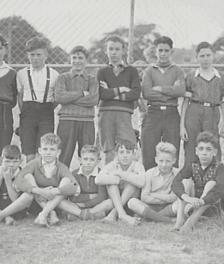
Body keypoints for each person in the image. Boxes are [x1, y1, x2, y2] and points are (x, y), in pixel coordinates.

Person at [0, 133, 80, 227]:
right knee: (28, 176)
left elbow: (76, 186)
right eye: (45, 149)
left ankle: (45, 214)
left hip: (53, 201)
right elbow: (19, 180)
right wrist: (40, 191)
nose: (48, 152)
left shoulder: (62, 167)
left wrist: (56, 190)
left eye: (52, 149)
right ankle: (50, 213)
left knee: (66, 181)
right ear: (40, 150)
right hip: (37, 201)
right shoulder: (34, 164)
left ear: (58, 152)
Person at [141, 36, 187, 170]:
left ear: (171, 51)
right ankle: (149, 185)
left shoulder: (177, 70)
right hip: (153, 112)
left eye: (166, 51)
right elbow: (147, 93)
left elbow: (180, 90)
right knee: (149, 151)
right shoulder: (149, 71)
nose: (163, 54)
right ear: (155, 51)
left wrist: (160, 89)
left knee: (172, 151)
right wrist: (170, 92)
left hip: (172, 112)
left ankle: (172, 187)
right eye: (160, 50)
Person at [180, 41, 224, 168]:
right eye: (202, 56)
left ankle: (212, 181)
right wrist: (182, 125)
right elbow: (185, 102)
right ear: (197, 57)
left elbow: (223, 101)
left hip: (212, 113)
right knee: (191, 148)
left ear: (213, 56)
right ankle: (190, 181)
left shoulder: (220, 77)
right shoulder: (191, 76)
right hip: (194, 112)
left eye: (208, 55)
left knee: (212, 146)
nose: (205, 59)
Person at [172, 131, 224, 232]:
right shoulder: (192, 164)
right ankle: (179, 222)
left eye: (208, 149)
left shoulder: (220, 168)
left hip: (210, 206)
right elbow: (176, 182)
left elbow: (220, 189)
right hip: (192, 204)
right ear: (196, 151)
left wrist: (203, 200)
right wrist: (187, 198)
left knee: (211, 184)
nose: (204, 153)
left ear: (215, 152)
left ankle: (189, 224)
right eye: (201, 149)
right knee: (185, 182)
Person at [97, 35, 141, 164]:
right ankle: (109, 181)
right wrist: (122, 89)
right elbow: (102, 94)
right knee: (108, 149)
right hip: (106, 114)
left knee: (128, 146)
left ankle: (126, 181)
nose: (114, 52)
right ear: (106, 51)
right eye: (111, 49)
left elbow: (135, 93)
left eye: (117, 49)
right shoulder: (102, 72)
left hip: (124, 114)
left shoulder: (131, 71)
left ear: (123, 51)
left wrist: (111, 92)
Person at [17, 36, 59, 162]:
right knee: (29, 152)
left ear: (46, 55)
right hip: (28, 113)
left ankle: (42, 180)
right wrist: (25, 112)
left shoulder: (54, 74)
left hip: (46, 113)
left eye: (39, 54)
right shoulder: (21, 74)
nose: (35, 58)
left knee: (44, 149)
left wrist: (46, 108)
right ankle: (30, 179)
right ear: (27, 55)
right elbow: (20, 97)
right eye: (32, 54)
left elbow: (56, 98)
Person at [55, 46, 98, 167]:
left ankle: (85, 184)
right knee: (64, 155)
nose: (77, 61)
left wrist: (69, 99)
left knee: (87, 156)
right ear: (70, 59)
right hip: (67, 120)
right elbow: (59, 97)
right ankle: (62, 184)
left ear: (86, 60)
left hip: (87, 121)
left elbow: (93, 100)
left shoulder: (92, 79)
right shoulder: (63, 77)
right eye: (74, 57)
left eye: (80, 58)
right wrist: (81, 93)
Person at [95, 139, 145, 225]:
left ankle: (114, 214)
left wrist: (121, 174)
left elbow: (141, 182)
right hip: (115, 201)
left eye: (128, 152)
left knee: (131, 184)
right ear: (117, 154)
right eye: (121, 152)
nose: (125, 156)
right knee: (112, 183)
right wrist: (117, 180)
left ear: (133, 154)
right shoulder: (113, 164)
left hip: (131, 203)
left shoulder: (138, 165)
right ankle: (122, 214)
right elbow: (98, 179)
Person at [128, 142, 179, 223]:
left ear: (174, 161)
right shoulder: (149, 173)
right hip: (150, 206)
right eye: (161, 161)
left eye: (168, 161)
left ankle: (150, 217)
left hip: (168, 207)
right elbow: (144, 197)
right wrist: (166, 197)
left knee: (179, 204)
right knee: (132, 202)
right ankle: (168, 220)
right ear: (156, 160)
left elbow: (174, 197)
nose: (164, 165)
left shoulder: (177, 174)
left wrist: (154, 195)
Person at [57, 145, 107, 220]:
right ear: (80, 160)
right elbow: (73, 197)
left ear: (98, 161)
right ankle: (89, 214)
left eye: (92, 160)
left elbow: (102, 196)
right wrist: (90, 196)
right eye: (85, 159)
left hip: (95, 205)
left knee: (109, 202)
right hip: (77, 205)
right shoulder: (74, 174)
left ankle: (79, 214)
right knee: (60, 202)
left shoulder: (101, 174)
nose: (88, 163)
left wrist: (85, 204)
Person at [0, 35, 17, 154]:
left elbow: (14, 98)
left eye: (0, 48)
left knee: (4, 148)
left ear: (5, 50)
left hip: (5, 112)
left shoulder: (11, 72)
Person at [0, 145, 22, 225]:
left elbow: (15, 200)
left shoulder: (22, 174)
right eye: (7, 161)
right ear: (1, 160)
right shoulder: (1, 171)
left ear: (20, 161)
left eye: (15, 161)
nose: (11, 165)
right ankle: (6, 217)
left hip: (15, 208)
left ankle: (5, 215)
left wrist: (8, 181)